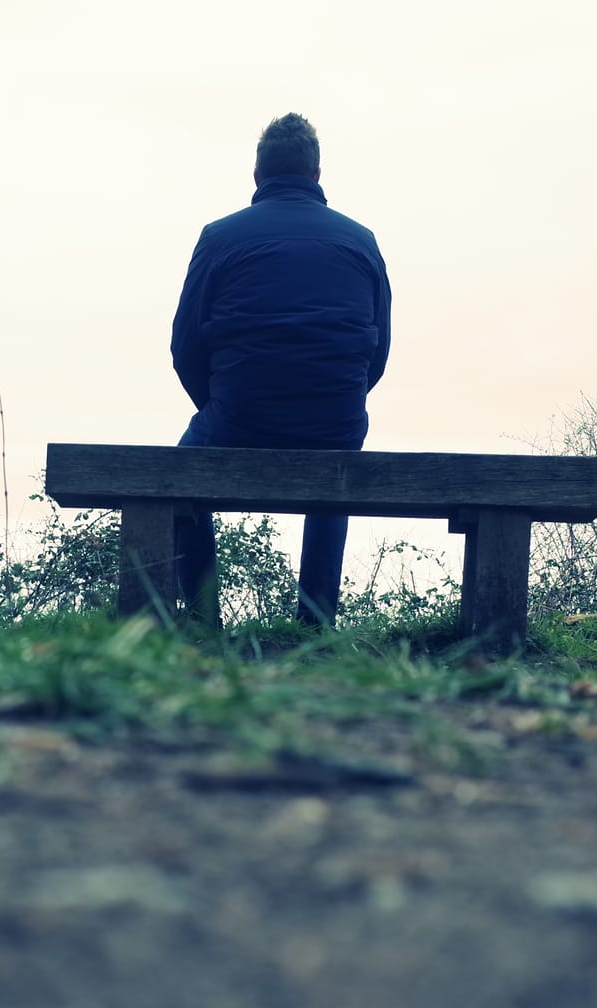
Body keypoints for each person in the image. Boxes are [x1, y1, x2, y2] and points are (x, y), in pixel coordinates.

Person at [169, 111, 392, 626]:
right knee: (336, 465)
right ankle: (315, 625)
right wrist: (335, 399)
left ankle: (204, 621)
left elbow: (184, 345)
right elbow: (378, 350)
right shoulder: (361, 241)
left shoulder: (219, 237)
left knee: (180, 475)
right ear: (316, 174)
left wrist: (224, 405)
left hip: (238, 415)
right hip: (332, 419)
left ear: (257, 175)